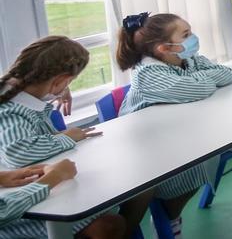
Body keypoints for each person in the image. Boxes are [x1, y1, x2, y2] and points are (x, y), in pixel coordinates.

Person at [116, 13, 232, 237]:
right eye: (185, 35)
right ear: (164, 49)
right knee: (194, 168)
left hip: (187, 129)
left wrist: (197, 82)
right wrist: (202, 82)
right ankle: (169, 218)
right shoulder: (148, 74)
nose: (193, 38)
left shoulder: (189, 59)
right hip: (154, 149)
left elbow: (227, 74)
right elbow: (198, 89)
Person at [0, 36, 138, 238]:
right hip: (24, 210)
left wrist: (58, 89)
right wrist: (67, 137)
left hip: (34, 188)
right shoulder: (12, 111)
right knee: (110, 220)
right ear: (58, 80)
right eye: (69, 81)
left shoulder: (19, 93)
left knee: (123, 196)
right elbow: (19, 153)